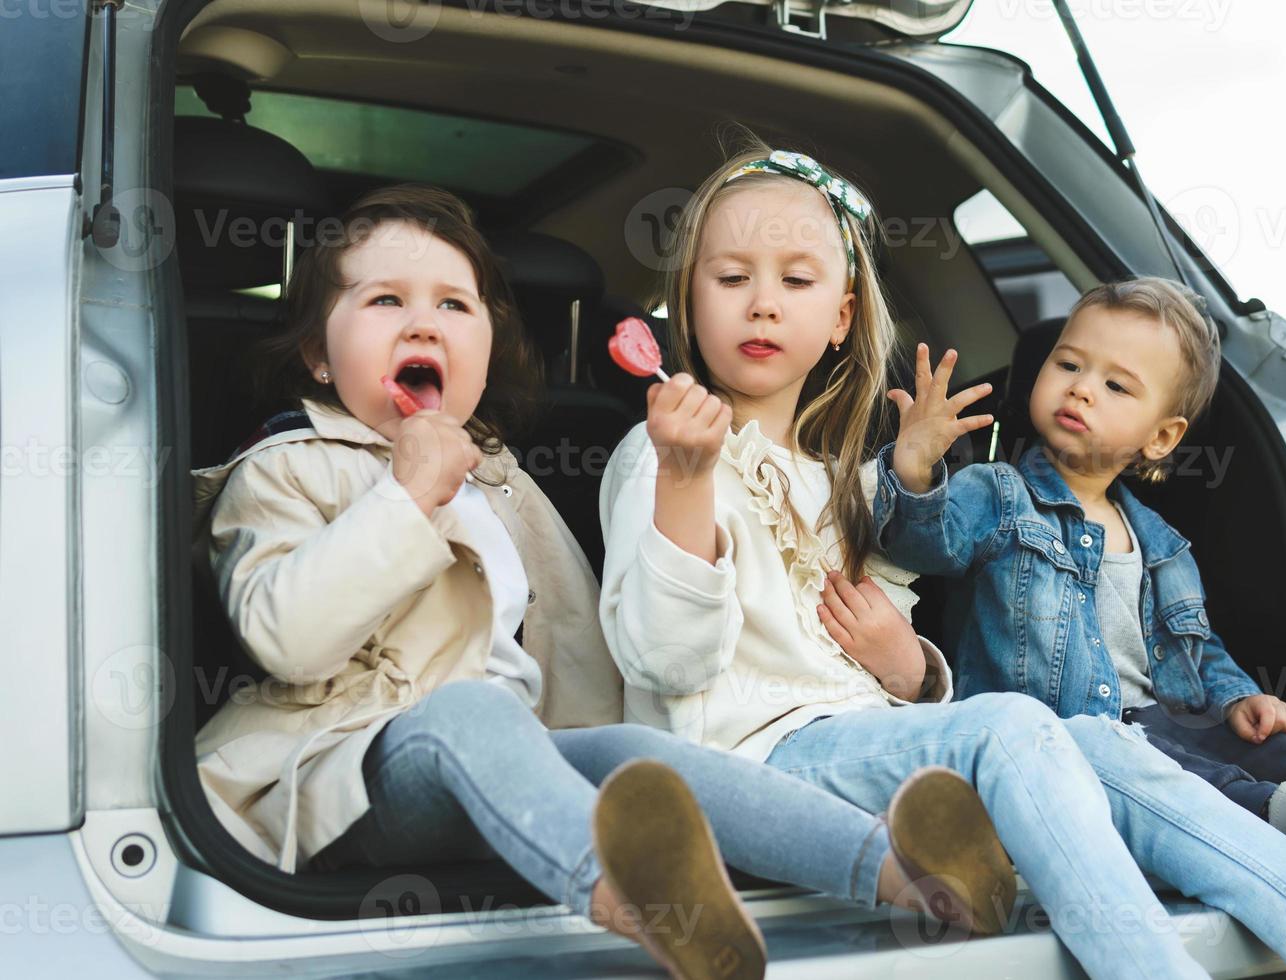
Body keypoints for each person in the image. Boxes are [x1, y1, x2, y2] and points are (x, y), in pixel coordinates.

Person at [599, 143, 1286, 979]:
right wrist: (685, 477)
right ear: (689, 297)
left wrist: (911, 671)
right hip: (751, 766)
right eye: (731, 277)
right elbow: (665, 661)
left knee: (1093, 738)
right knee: (1014, 724)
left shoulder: (841, 487)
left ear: (841, 319)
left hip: (867, 743)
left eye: (796, 280)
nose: (761, 304)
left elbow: (891, 664)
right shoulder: (662, 453)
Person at [191, 183, 1014, 980]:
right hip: (341, 775)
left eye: (454, 305)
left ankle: (907, 880)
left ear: (483, 353)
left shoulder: (500, 482)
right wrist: (405, 500)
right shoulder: (283, 469)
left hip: (515, 769)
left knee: (638, 753)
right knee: (468, 714)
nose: (424, 324)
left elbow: (582, 654)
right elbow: (287, 639)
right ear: (318, 358)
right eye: (384, 303)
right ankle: (637, 898)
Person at [875, 276, 1286, 904]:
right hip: (1076, 745)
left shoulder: (1162, 542)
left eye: (1115, 385)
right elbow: (921, 543)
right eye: (1069, 363)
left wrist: (1239, 694)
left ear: (1160, 437)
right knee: (1191, 780)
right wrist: (915, 466)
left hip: (1180, 721)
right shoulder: (997, 495)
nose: (1081, 387)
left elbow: (1197, 645)